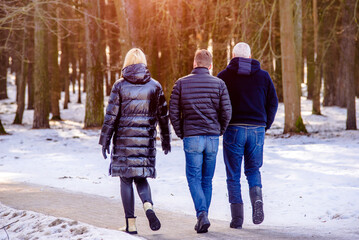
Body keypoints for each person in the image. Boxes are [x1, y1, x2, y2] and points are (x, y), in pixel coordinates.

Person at [99, 48, 171, 234]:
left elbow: (111, 116)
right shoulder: (155, 86)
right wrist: (165, 139)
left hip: (124, 142)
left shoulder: (119, 86)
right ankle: (148, 206)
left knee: (126, 179)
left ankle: (131, 224)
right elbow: (163, 116)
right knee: (141, 178)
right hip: (145, 142)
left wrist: (105, 139)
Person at [169, 49, 232, 233]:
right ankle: (203, 215)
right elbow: (227, 112)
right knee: (207, 180)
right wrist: (219, 130)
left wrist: (182, 132)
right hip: (212, 138)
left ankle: (202, 214)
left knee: (194, 178)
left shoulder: (181, 83)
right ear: (210, 66)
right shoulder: (219, 84)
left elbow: (173, 112)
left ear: (194, 64)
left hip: (192, 137)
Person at [217, 42, 278, 229]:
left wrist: (222, 125)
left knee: (233, 174)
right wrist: (264, 125)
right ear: (250, 57)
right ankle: (257, 199)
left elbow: (218, 104)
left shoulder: (224, 76)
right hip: (257, 129)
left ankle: (237, 218)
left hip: (233, 129)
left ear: (233, 57)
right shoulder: (263, 76)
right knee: (253, 170)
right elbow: (273, 103)